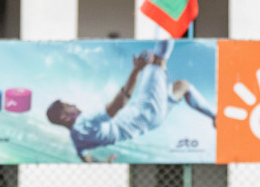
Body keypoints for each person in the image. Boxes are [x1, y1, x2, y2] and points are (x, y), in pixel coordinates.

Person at [46, 40, 216, 163]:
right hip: (145, 111)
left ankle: (216, 117)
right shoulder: (84, 122)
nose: (74, 105)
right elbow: (117, 105)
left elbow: (86, 159)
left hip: (151, 122)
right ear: (64, 118)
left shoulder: (76, 139)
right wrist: (136, 70)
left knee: (182, 86)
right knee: (157, 61)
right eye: (69, 106)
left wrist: (104, 164)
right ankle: (168, 24)